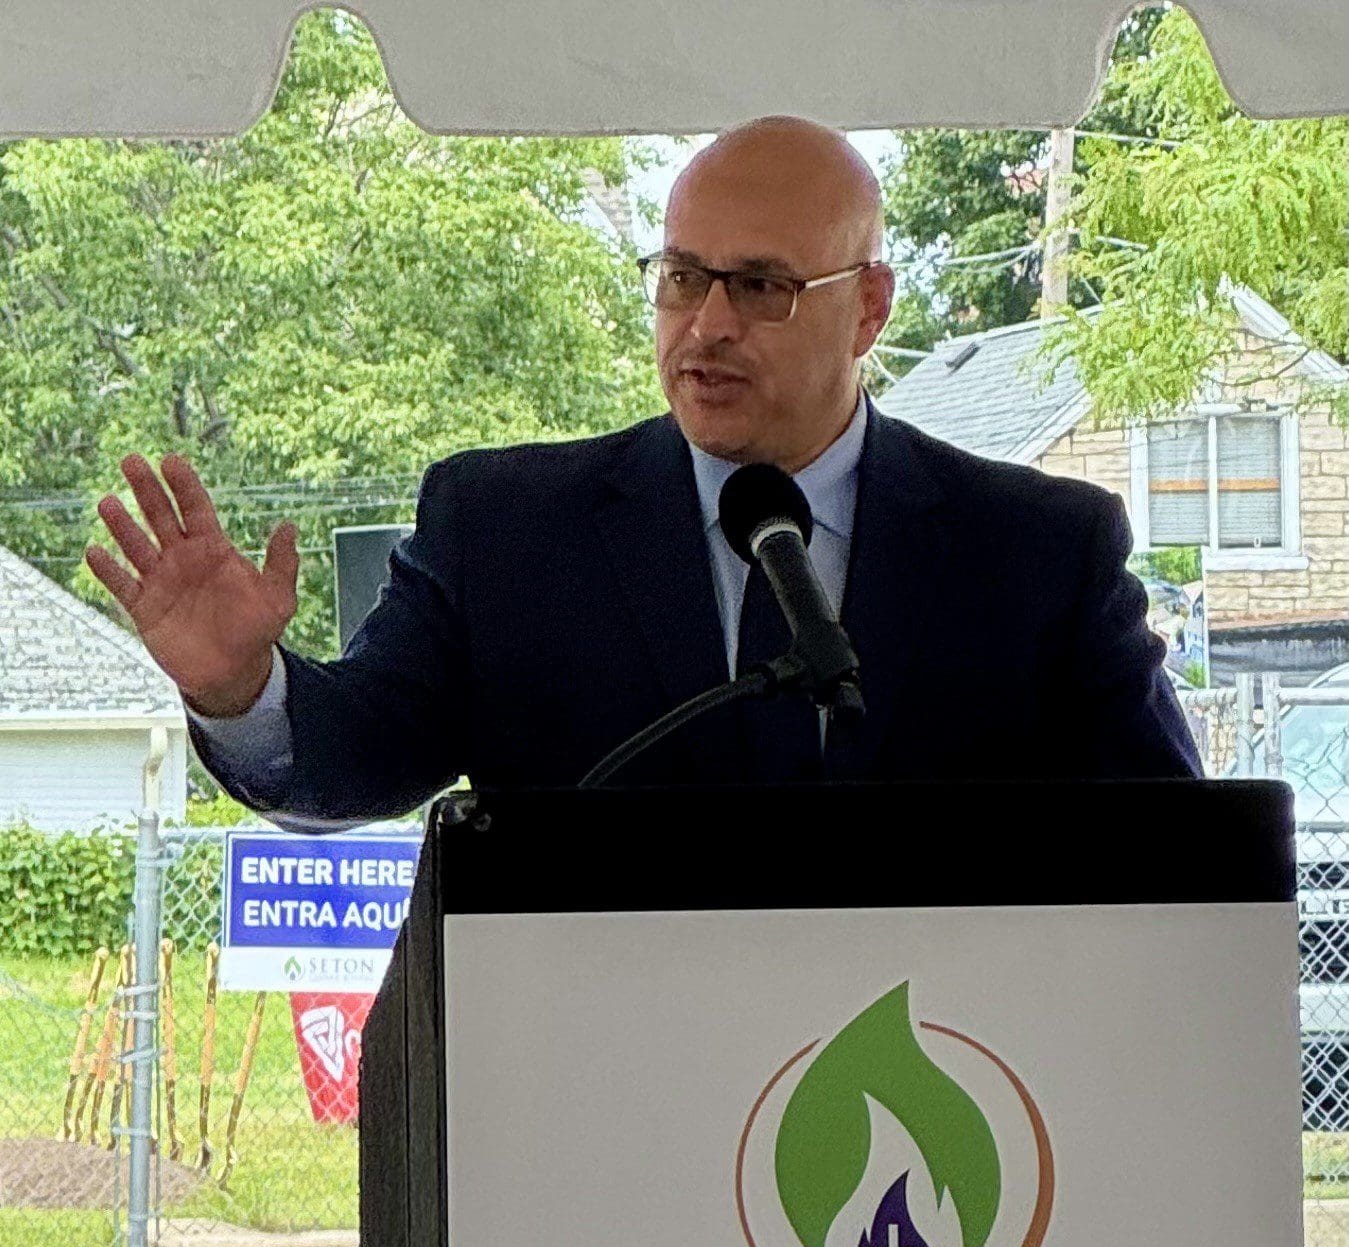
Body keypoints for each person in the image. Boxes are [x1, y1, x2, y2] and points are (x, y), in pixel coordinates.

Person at [85, 116, 1200, 825]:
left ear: (867, 307)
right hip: (598, 1121)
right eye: (679, 277)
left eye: (759, 286)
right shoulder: (506, 530)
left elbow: (1179, 857)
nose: (704, 325)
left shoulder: (1037, 555)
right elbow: (361, 751)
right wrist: (243, 688)